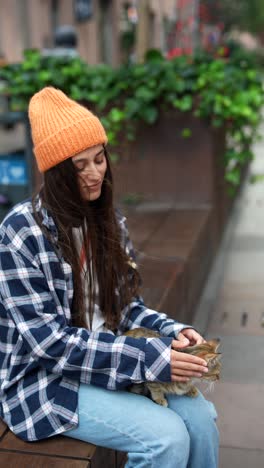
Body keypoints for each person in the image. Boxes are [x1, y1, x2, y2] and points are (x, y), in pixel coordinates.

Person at [0, 87, 219, 468]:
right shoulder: (21, 233)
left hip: (108, 359)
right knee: (166, 439)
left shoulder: (108, 221)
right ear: (55, 174)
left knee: (201, 423)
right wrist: (151, 357)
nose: (94, 173)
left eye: (99, 159)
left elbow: (126, 308)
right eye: (79, 166)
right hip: (46, 381)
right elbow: (49, 345)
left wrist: (172, 332)